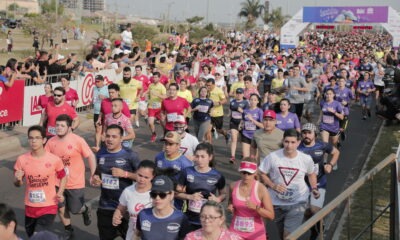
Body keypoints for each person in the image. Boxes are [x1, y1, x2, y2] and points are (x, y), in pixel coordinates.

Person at [259, 129, 319, 239]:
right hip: (276, 203)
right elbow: (262, 173)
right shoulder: (273, 157)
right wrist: (273, 186)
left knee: (288, 236)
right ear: (282, 141)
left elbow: (311, 174)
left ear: (298, 142)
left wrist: (314, 188)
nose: (289, 146)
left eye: (292, 142)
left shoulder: (305, 159)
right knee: (282, 235)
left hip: (298, 201)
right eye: (286, 142)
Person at [45, 114, 96, 239]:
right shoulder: (51, 142)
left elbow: (90, 156)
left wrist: (94, 174)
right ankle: (69, 230)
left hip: (75, 182)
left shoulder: (78, 140)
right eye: (57, 125)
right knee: (61, 208)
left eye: (62, 125)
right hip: (57, 182)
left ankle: (84, 209)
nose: (59, 128)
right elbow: (45, 159)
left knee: (74, 209)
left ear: (69, 127)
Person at [14, 125, 67, 237]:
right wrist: (18, 180)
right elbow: (18, 184)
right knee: (31, 235)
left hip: (49, 206)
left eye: (37, 138)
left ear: (44, 140)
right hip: (30, 206)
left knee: (38, 235)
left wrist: (60, 192)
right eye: (31, 138)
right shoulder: (21, 160)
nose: (33, 141)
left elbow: (63, 176)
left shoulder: (54, 160)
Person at [91, 124, 140, 240]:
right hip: (105, 205)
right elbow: (98, 172)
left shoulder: (130, 155)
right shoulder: (100, 153)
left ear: (121, 138)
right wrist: (96, 179)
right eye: (107, 136)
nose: (110, 139)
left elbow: (142, 178)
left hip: (125, 207)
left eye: (114, 136)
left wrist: (125, 174)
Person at [298, 123, 339, 240]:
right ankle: (314, 230)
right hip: (303, 184)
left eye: (309, 133)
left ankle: (321, 229)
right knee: (306, 213)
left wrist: (330, 164)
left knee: (314, 209)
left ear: (315, 135)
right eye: (304, 133)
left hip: (319, 182)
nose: (306, 135)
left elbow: (336, 152)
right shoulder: (298, 148)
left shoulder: (322, 145)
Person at [176, 143, 226, 231]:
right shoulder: (187, 172)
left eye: (203, 157)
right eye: (197, 156)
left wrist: (217, 199)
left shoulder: (217, 175)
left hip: (209, 220)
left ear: (210, 157)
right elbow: (176, 194)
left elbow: (224, 194)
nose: (199, 160)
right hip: (190, 219)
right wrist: (189, 196)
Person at [227, 159, 275, 240]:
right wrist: (230, 206)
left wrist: (256, 208)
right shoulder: (233, 186)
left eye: (249, 173)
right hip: (235, 232)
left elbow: (271, 216)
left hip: (256, 234)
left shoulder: (261, 189)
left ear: (255, 173)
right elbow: (231, 201)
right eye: (244, 172)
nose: (246, 176)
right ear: (240, 172)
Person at [135, 175, 190, 240]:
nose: (157, 198)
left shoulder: (181, 218)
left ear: (172, 194)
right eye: (154, 194)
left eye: (162, 195)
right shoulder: (143, 214)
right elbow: (137, 235)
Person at [112, 160, 155, 240]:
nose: (142, 179)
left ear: (153, 177)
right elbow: (121, 209)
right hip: (132, 236)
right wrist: (116, 216)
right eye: (140, 175)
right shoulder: (128, 191)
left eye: (146, 177)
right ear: (136, 172)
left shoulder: (158, 194)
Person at [229, 88, 249, 163]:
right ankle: (232, 156)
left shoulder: (245, 103)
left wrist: (242, 111)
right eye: (237, 93)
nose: (238, 95)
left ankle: (243, 152)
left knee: (242, 140)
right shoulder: (232, 102)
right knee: (234, 139)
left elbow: (247, 113)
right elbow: (231, 111)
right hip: (233, 122)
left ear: (243, 94)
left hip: (242, 123)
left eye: (240, 93)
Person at [241, 94, 264, 159]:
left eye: (255, 100)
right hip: (245, 135)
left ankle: (254, 169)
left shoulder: (260, 111)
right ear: (249, 101)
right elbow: (243, 121)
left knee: (254, 158)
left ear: (258, 101)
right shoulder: (245, 111)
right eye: (251, 99)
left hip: (256, 136)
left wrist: (253, 120)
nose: (253, 101)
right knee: (245, 157)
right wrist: (241, 124)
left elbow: (263, 126)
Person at [147, 71, 167, 142]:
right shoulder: (151, 85)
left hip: (159, 108)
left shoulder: (162, 87)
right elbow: (148, 91)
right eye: (153, 77)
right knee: (150, 123)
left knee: (162, 122)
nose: (154, 78)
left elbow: (165, 96)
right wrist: (144, 94)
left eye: (156, 77)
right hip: (151, 107)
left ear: (159, 78)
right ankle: (153, 133)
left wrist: (157, 95)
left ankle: (165, 133)